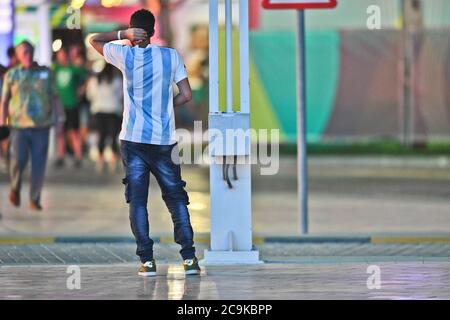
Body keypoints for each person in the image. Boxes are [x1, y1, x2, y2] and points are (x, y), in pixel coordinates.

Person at [89, 9, 200, 277]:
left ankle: (147, 261)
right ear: (152, 31)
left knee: (137, 202)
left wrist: (121, 35)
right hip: (164, 141)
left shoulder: (124, 55)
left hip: (133, 140)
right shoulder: (170, 56)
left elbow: (94, 40)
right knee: (176, 200)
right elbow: (186, 95)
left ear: (133, 31)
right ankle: (189, 259)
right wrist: (165, 107)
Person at [0, 41, 64, 211]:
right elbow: (4, 100)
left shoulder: (45, 73)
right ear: (18, 55)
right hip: (18, 127)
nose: (27, 54)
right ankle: (15, 186)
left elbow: (55, 97)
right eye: (23, 52)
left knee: (38, 164)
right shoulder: (12, 75)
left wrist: (60, 119)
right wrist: (2, 123)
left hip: (41, 127)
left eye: (29, 51)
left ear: (33, 52)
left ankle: (34, 198)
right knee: (17, 160)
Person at [86, 63, 123, 174]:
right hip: (113, 110)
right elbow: (121, 95)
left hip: (99, 109)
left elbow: (90, 95)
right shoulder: (117, 80)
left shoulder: (95, 80)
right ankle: (113, 160)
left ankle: (100, 160)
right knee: (113, 135)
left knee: (101, 135)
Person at [53, 48, 84, 168]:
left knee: (74, 132)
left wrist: (81, 91)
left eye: (63, 55)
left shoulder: (73, 68)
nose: (62, 57)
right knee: (60, 132)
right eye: (59, 55)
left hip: (72, 104)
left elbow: (85, 76)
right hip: (60, 106)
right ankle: (60, 156)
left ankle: (78, 156)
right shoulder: (55, 69)